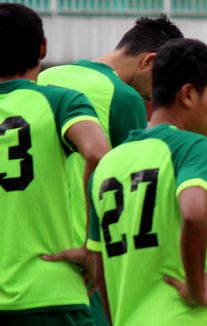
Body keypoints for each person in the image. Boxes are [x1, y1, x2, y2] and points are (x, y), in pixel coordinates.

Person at [86, 38, 207, 325]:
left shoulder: (108, 163)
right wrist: (198, 291)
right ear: (188, 95)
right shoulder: (191, 146)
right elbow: (194, 212)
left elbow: (97, 268)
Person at [0, 3, 109, 325]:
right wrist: (93, 244)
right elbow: (98, 153)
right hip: (51, 290)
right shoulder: (61, 100)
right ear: (43, 47)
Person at [38, 14, 183, 248]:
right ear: (149, 61)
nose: (153, 96)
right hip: (84, 247)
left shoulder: (46, 76)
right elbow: (134, 190)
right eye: (162, 80)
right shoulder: (124, 98)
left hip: (28, 240)